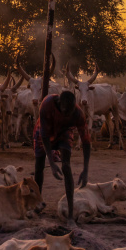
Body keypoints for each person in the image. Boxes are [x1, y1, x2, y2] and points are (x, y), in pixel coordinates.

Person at [33, 89, 91, 221]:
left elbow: (86, 142)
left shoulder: (77, 114)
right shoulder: (46, 105)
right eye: (65, 112)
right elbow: (45, 136)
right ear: (59, 104)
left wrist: (86, 170)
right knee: (39, 166)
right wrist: (52, 163)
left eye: (69, 113)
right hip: (45, 129)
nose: (66, 115)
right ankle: (37, 204)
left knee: (66, 166)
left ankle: (70, 215)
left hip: (65, 131)